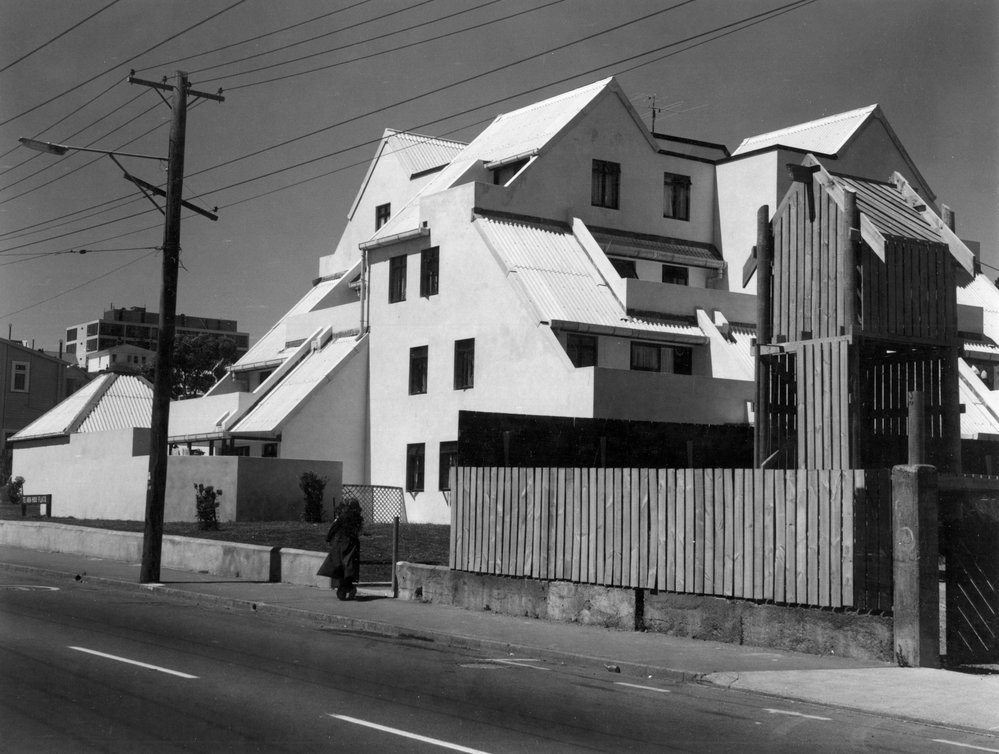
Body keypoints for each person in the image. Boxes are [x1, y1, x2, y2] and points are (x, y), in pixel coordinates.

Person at [317, 498, 363, 600]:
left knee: (344, 566)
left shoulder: (343, 518)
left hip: (343, 544)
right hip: (346, 544)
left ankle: (347, 587)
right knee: (345, 566)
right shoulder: (354, 519)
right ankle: (348, 587)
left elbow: (333, 529)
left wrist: (329, 539)